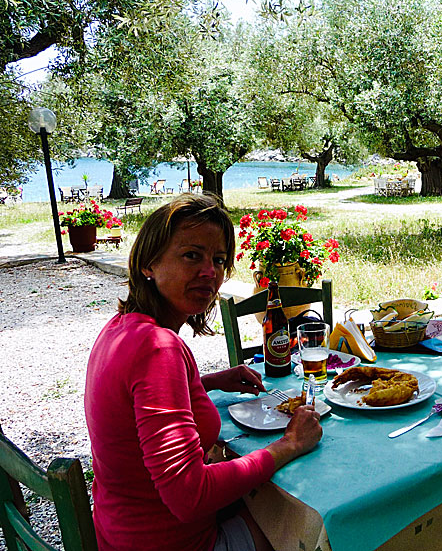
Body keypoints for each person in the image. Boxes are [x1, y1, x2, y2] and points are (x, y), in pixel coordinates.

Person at [85, 193, 322, 551]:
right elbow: (188, 496)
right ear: (148, 263)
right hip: (175, 541)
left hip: (119, 531)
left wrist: (207, 381)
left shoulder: (121, 327)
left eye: (219, 259)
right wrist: (289, 444)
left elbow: (134, 402)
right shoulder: (157, 348)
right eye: (191, 255)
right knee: (312, 524)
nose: (210, 272)